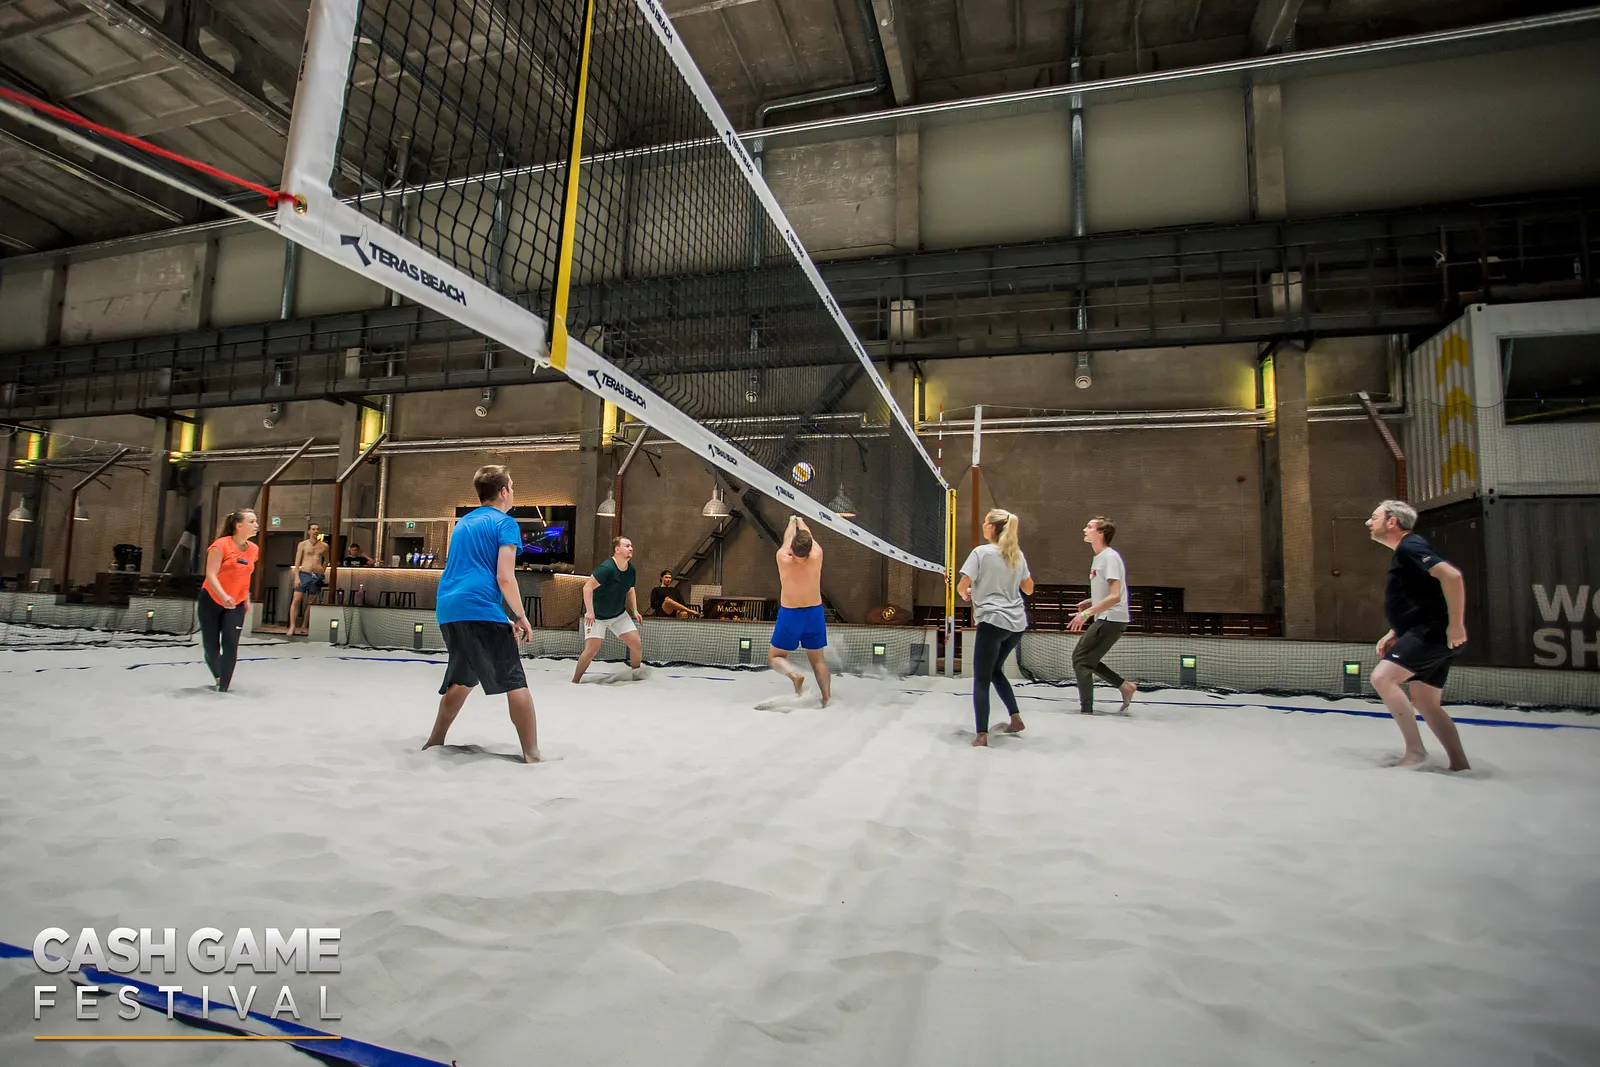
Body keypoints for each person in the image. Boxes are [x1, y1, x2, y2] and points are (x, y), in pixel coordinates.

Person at [423, 465, 539, 764]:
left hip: (449, 607)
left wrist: (500, 616)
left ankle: (435, 741)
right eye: (512, 486)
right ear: (504, 491)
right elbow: (505, 577)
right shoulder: (505, 523)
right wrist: (521, 616)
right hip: (478, 607)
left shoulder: (463, 523)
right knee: (515, 681)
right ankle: (532, 754)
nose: (513, 491)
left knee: (463, 679)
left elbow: (469, 571)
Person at [1366, 499, 1471, 771]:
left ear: (1392, 522)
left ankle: (1415, 751)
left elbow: (1452, 577)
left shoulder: (1410, 546)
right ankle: (1459, 764)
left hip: (1431, 633)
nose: (1368, 523)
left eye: (1374, 517)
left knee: (1382, 678)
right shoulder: (1406, 552)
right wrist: (1395, 632)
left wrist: (1456, 625)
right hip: (1426, 631)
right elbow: (1423, 599)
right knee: (1425, 701)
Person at [957, 508, 1035, 747]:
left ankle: (981, 735)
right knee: (994, 671)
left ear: (991, 527)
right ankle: (1016, 719)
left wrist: (967, 593)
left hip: (992, 621)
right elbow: (1029, 588)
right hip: (1016, 624)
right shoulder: (1016, 554)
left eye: (985, 522)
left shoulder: (980, 553)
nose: (982, 524)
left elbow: (962, 586)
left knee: (981, 678)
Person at [1066, 516, 1138, 714]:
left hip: (1112, 618)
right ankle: (1124, 686)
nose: (1084, 529)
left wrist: (1086, 614)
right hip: (1106, 617)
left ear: (1101, 533)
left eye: (1089, 527)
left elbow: (1115, 596)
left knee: (1081, 659)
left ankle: (1086, 710)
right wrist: (1092, 601)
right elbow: (1110, 592)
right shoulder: (1099, 557)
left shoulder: (1109, 557)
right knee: (1085, 659)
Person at [771, 516, 830, 705]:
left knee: (775, 657)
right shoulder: (817, 555)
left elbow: (788, 538)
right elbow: (808, 536)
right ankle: (827, 699)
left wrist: (792, 521)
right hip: (814, 613)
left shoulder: (783, 557)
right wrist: (802, 521)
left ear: (792, 548)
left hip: (791, 614)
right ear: (809, 548)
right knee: (818, 660)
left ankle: (794, 675)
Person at [199, 508, 259, 693]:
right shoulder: (220, 545)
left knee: (231, 644)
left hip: (236, 603)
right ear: (238, 526)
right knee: (211, 648)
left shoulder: (253, 549)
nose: (256, 525)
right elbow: (211, 574)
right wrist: (223, 595)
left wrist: (246, 597)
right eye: (252, 521)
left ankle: (224, 688)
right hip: (211, 599)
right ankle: (218, 676)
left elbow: (245, 575)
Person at [573, 536, 644, 683]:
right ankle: (575, 681)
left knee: (636, 643)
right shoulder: (606, 569)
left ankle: (637, 677)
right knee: (592, 649)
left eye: (631, 546)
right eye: (627, 546)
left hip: (618, 615)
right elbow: (587, 588)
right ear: (617, 549)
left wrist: (635, 610)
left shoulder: (631, 570)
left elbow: (630, 590)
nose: (631, 548)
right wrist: (589, 611)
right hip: (597, 616)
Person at [285, 523, 330, 637]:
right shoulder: (303, 544)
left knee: (310, 602)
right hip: (304, 573)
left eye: (317, 529)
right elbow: (297, 562)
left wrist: (322, 571)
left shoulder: (324, 546)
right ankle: (292, 626)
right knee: (296, 599)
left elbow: (326, 560)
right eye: (313, 529)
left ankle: (304, 625)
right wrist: (296, 577)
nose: (315, 531)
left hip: (316, 574)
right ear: (309, 531)